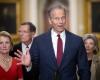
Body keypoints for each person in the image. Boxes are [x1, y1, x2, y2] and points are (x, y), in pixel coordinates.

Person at [15, 1, 90, 80]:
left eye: (63, 17)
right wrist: (28, 65)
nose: (60, 21)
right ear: (50, 20)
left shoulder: (77, 41)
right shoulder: (38, 41)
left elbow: (84, 70)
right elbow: (34, 73)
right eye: (57, 18)